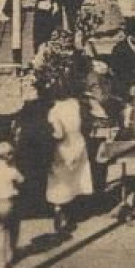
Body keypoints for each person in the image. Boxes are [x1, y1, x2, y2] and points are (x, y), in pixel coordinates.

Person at [45, 93, 93, 236]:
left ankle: (60, 210)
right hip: (78, 144)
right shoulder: (75, 104)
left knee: (59, 181)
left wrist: (48, 134)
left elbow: (59, 134)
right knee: (75, 180)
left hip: (63, 149)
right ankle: (73, 211)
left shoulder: (54, 111)